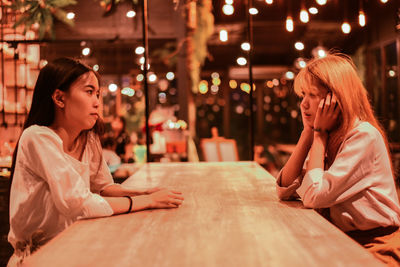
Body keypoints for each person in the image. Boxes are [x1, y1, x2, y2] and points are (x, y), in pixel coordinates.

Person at [7, 58, 184, 265]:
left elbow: (103, 188)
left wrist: (146, 192)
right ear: (59, 98)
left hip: (75, 247)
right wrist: (148, 202)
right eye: (89, 92)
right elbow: (76, 203)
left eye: (98, 94)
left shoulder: (87, 138)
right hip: (39, 259)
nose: (97, 102)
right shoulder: (37, 137)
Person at [276, 53, 400, 265]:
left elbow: (314, 194)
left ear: (336, 99)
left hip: (377, 246)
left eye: (312, 95)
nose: (303, 104)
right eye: (302, 95)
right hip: (342, 240)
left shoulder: (363, 136)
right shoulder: (330, 134)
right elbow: (285, 189)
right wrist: (308, 134)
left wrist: (318, 135)